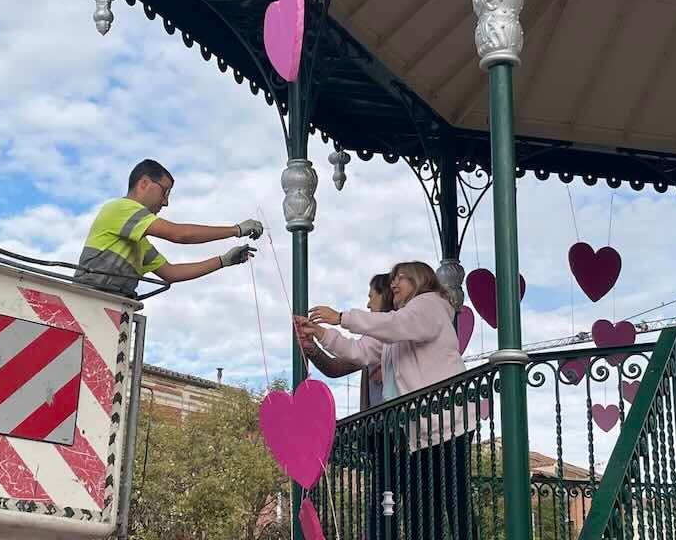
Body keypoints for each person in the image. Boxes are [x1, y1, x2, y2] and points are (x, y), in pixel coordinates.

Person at [296, 261, 473, 540]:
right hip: (421, 431)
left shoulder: (429, 305)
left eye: (400, 277)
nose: (393, 283)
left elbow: (398, 324)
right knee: (422, 513)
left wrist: (341, 317)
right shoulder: (397, 328)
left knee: (454, 505)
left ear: (419, 280)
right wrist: (321, 334)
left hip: (447, 422)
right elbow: (357, 352)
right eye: (392, 279)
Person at [76, 159, 263, 297]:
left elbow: (171, 273)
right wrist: (235, 230)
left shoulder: (138, 244)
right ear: (144, 183)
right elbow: (178, 234)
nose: (166, 202)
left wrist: (223, 260)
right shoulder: (119, 208)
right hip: (86, 300)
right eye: (165, 192)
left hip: (106, 306)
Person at [299, 273, 394, 410]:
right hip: (378, 425)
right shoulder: (371, 345)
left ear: (384, 296)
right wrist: (312, 349)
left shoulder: (403, 336)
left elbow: (354, 352)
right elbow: (335, 368)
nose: (368, 304)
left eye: (371, 297)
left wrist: (336, 320)